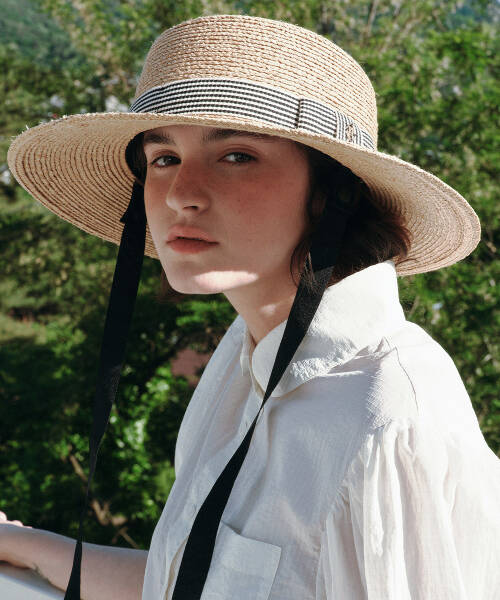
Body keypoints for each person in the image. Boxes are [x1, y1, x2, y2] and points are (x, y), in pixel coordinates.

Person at [2, 12, 500, 600]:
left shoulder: (387, 416)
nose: (181, 194)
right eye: (163, 158)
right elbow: (193, 580)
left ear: (332, 193)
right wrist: (27, 545)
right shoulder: (241, 361)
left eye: (236, 155)